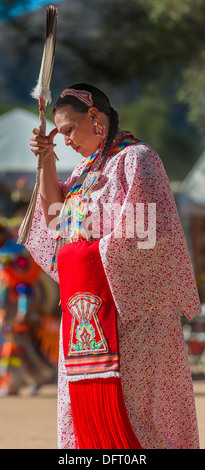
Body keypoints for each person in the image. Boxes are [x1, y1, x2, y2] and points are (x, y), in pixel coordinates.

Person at [27, 83, 201, 449]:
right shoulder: (82, 173)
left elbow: (148, 235)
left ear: (95, 117)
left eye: (70, 129)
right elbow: (56, 225)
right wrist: (48, 160)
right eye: (60, 134)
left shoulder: (137, 158)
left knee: (137, 411)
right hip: (85, 312)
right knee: (81, 414)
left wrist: (86, 255)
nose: (67, 140)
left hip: (132, 311)